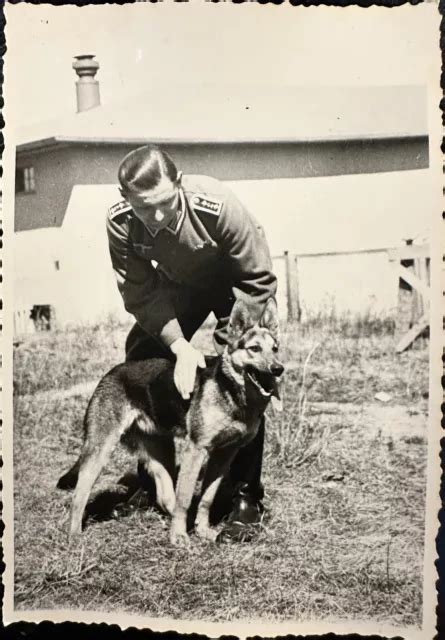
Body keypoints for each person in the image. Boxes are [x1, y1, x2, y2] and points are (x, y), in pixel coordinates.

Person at [106, 144, 277, 542]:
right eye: (145, 208)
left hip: (237, 286)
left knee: (246, 379)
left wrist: (228, 349)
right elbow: (140, 293)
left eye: (166, 203)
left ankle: (244, 499)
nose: (158, 216)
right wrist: (180, 346)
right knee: (142, 354)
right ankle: (156, 485)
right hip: (181, 286)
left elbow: (258, 278)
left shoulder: (217, 204)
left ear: (179, 185)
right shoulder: (120, 223)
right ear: (126, 200)